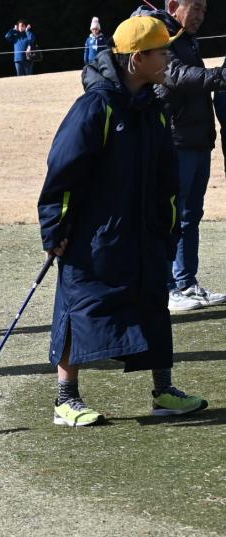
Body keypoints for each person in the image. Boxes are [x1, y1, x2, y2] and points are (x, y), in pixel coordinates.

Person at [38, 17, 207, 427]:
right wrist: (54, 229)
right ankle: (66, 399)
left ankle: (163, 391)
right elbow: (63, 170)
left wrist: (169, 227)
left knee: (153, 304)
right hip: (95, 238)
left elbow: (168, 179)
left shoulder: (155, 109)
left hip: (145, 233)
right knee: (80, 307)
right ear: (136, 59)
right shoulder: (95, 107)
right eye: (161, 52)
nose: (169, 57)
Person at [133, 0, 226, 311]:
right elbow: (177, 76)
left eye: (204, 9)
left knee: (190, 216)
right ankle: (168, 287)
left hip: (198, 140)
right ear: (173, 5)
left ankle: (186, 282)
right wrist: (219, 76)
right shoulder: (160, 34)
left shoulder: (185, 36)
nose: (200, 15)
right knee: (170, 217)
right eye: (195, 8)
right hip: (175, 141)